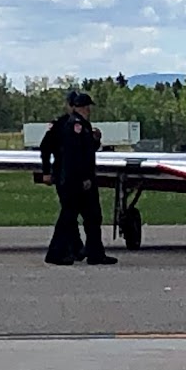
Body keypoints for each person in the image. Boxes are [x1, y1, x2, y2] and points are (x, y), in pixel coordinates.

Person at [44, 92, 117, 266]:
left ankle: (95, 253)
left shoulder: (81, 125)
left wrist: (96, 140)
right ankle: (57, 254)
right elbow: (75, 155)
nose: (89, 110)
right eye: (87, 107)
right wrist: (84, 178)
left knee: (91, 217)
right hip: (76, 181)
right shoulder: (74, 126)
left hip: (77, 179)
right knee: (70, 218)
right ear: (83, 107)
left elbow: (87, 149)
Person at [39, 90, 85, 260]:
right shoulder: (60, 124)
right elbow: (45, 148)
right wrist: (46, 171)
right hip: (64, 174)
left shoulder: (80, 124)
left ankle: (76, 247)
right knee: (68, 213)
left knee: (71, 213)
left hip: (74, 175)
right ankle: (61, 251)